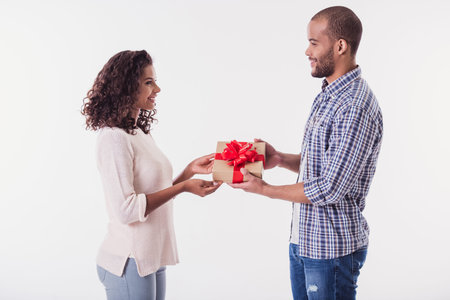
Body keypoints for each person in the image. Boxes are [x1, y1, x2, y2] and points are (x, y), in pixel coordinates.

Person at [229, 6, 383, 300]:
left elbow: (331, 187)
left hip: (331, 251)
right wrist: (280, 159)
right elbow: (328, 164)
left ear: (340, 46)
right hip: (306, 242)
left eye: (314, 42)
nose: (306, 51)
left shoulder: (354, 105)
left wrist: (264, 189)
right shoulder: (329, 93)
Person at [82, 50, 222, 300]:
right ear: (125, 87)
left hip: (150, 256)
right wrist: (183, 187)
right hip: (127, 260)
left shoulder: (138, 133)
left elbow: (153, 196)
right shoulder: (113, 137)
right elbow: (127, 210)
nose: (157, 89)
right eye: (149, 82)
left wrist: (188, 172)